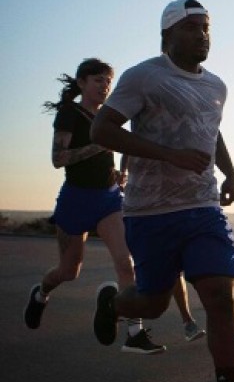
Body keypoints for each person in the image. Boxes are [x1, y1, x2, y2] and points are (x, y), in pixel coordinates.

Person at [90, 0, 234, 382]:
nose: (203, 35)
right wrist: (169, 155)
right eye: (192, 28)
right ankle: (114, 302)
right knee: (152, 302)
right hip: (151, 210)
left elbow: (211, 127)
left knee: (221, 298)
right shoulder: (143, 76)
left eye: (207, 27)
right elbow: (102, 129)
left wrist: (226, 171)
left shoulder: (217, 86)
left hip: (202, 208)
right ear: (168, 34)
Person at [23, 58, 165, 355]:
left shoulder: (109, 116)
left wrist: (122, 171)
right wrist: (98, 146)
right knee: (68, 271)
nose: (105, 86)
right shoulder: (69, 114)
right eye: (99, 80)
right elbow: (58, 159)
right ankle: (41, 294)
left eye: (108, 81)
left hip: (108, 198)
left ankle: (134, 333)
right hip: (76, 199)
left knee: (125, 262)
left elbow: (128, 142)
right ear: (82, 83)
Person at [120, 154, 207, 342]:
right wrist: (123, 172)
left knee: (177, 270)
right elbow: (129, 145)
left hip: (181, 203)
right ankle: (115, 306)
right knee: (154, 300)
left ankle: (187, 322)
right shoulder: (146, 128)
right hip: (148, 209)